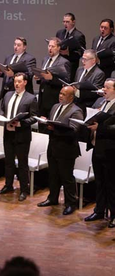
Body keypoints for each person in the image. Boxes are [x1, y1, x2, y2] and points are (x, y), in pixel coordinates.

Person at [36, 86, 83, 215]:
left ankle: (70, 203)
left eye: (64, 94)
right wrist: (46, 123)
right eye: (60, 93)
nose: (60, 96)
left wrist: (54, 129)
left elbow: (74, 131)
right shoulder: (55, 106)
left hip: (66, 149)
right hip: (53, 147)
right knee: (53, 175)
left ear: (71, 97)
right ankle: (52, 198)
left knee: (67, 178)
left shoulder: (76, 111)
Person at [0, 73, 38, 201]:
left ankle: (23, 190)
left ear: (25, 82)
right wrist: (2, 116)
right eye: (15, 81)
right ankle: (8, 185)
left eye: (19, 81)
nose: (16, 84)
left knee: (22, 163)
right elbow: (2, 110)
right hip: (8, 133)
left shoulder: (31, 98)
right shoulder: (8, 95)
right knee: (8, 162)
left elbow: (34, 118)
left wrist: (21, 123)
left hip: (22, 136)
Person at [84, 78, 115, 227]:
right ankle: (99, 210)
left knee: (111, 185)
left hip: (110, 151)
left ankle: (114, 215)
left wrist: (99, 128)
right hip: (97, 148)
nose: (104, 90)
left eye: (107, 88)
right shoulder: (102, 103)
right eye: (104, 87)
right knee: (100, 182)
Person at [35, 37, 70, 119]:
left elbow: (66, 82)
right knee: (41, 126)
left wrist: (52, 78)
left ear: (58, 48)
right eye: (49, 46)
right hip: (42, 98)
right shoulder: (45, 59)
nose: (50, 48)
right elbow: (44, 76)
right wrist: (39, 78)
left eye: (53, 46)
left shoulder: (64, 62)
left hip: (53, 99)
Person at [55, 13, 86, 82]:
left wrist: (68, 53)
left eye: (67, 22)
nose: (65, 24)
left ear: (73, 22)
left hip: (71, 65)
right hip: (59, 64)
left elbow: (81, 52)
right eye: (64, 22)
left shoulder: (79, 35)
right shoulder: (60, 33)